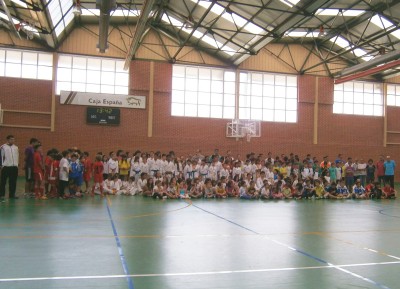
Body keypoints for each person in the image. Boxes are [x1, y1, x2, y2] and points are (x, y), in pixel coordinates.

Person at [0, 135, 19, 202]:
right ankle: (2, 195)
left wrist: (17, 165)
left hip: (14, 167)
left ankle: (12, 195)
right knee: (3, 182)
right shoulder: (3, 147)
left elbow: (17, 156)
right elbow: (1, 157)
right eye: (11, 139)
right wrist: (1, 165)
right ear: (7, 140)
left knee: (13, 182)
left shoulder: (16, 147)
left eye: (13, 139)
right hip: (6, 167)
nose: (12, 141)